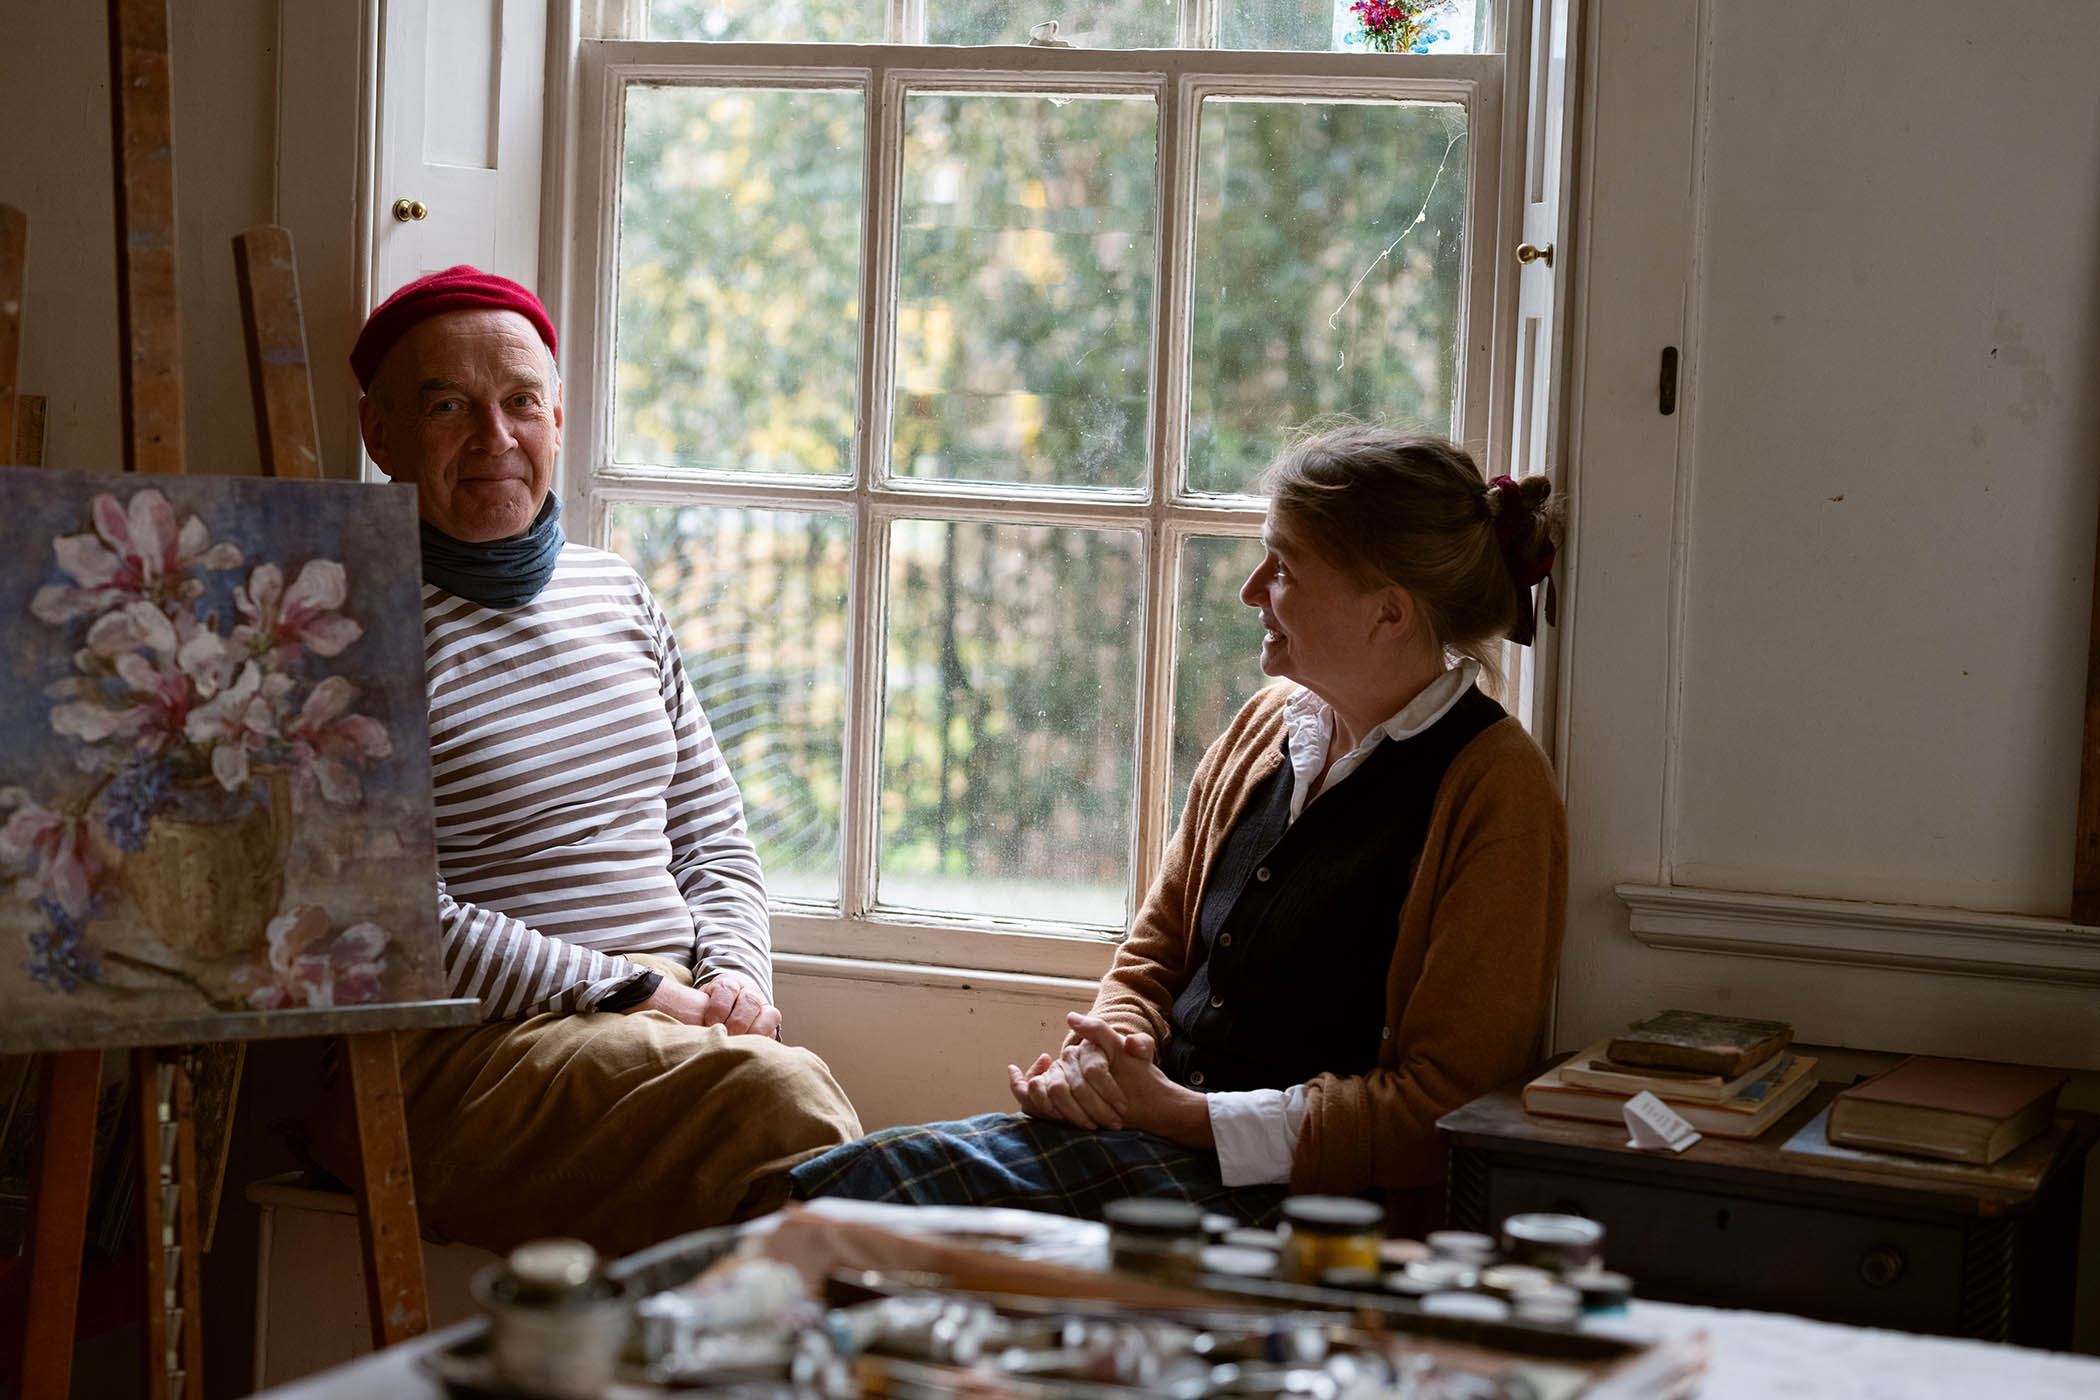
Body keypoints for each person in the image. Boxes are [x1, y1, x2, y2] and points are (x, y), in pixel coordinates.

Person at [789, 427, 1566, 1232]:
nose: (1251, 589)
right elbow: (1153, 961)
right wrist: (1108, 1058)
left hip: (1312, 1216)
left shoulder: (1495, 790)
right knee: (831, 1197)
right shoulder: (1266, 730)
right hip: (1154, 1150)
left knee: (846, 1207)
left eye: (1285, 567)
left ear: (1389, 611)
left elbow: (1439, 1108)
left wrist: (1181, 1117)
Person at [312, 266, 861, 1256]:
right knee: (783, 1105)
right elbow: (385, 918)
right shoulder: (340, 626)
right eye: (449, 406)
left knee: (793, 1133)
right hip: (467, 1046)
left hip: (654, 1011)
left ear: (558, 416)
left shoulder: (616, 591)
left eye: (522, 401)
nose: (495, 437)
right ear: (379, 432)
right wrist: (638, 991)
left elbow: (711, 835)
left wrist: (733, 977)